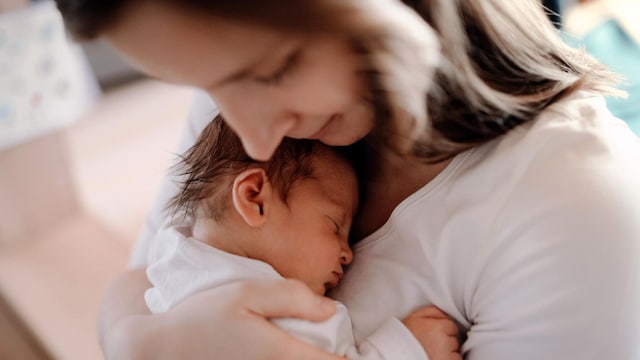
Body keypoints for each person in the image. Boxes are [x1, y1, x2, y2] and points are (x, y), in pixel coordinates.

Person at [54, 0, 640, 359]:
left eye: (273, 70)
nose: (254, 138)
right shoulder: (243, 116)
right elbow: (146, 272)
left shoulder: (574, 209)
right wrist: (140, 343)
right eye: (208, 84)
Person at [144, 115, 460, 359]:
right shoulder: (276, 309)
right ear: (254, 198)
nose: (347, 254)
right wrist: (406, 349)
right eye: (335, 226)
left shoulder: (174, 263)